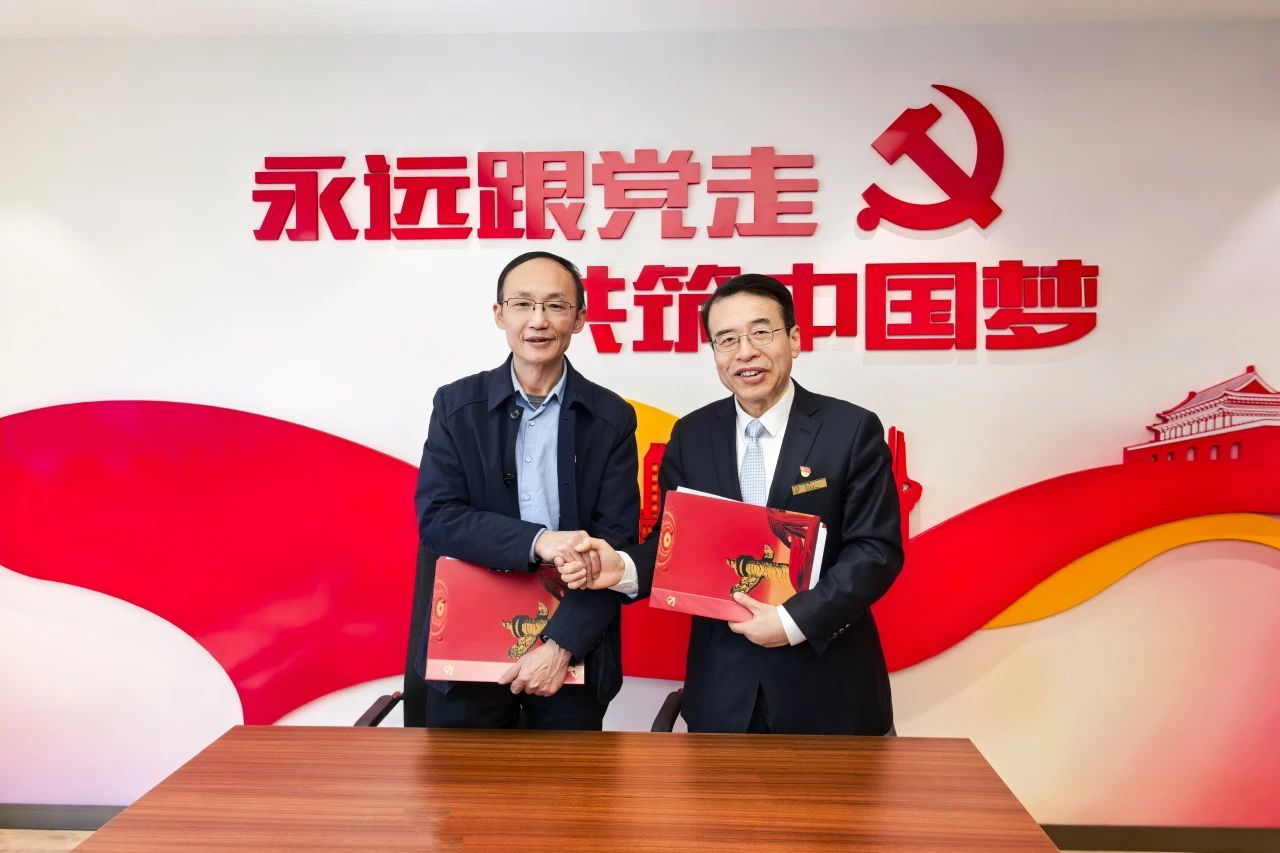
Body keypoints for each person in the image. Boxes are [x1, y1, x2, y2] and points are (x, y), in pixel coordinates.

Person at [559, 273, 903, 735]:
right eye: (727, 339)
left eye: (761, 332)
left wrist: (793, 621)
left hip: (830, 690)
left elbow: (875, 551)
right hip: (723, 690)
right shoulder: (692, 435)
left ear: (794, 339)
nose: (745, 352)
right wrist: (623, 568)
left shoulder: (850, 430)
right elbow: (673, 544)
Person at [413, 251, 639, 730]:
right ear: (500, 314)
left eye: (556, 305)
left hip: (572, 648)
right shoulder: (456, 406)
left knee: (566, 780)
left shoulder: (610, 418)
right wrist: (540, 541)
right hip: (468, 648)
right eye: (522, 304)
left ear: (579, 318)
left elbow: (615, 548)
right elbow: (439, 519)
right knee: (460, 778)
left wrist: (561, 647)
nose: (538, 320)